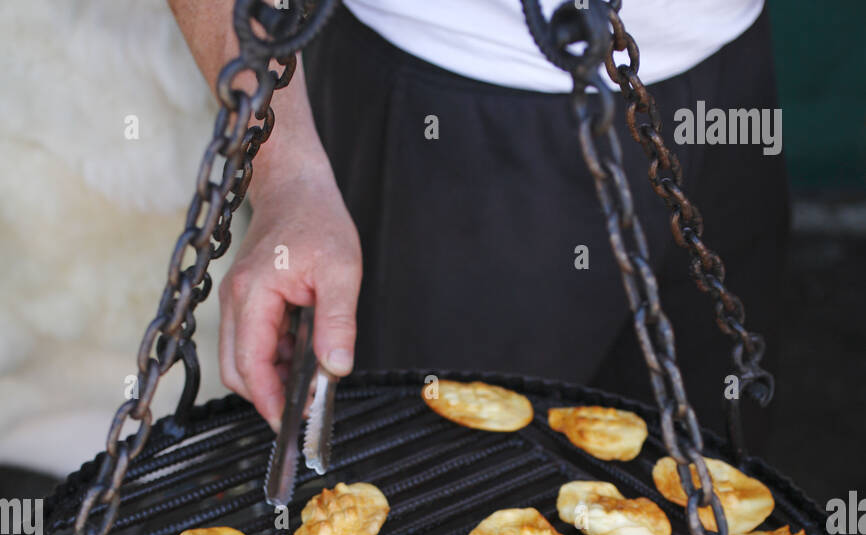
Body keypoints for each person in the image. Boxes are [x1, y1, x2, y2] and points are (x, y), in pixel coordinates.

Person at [169, 1, 788, 453]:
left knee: (713, 473)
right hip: (453, 103)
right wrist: (287, 175)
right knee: (441, 499)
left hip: (728, 74)